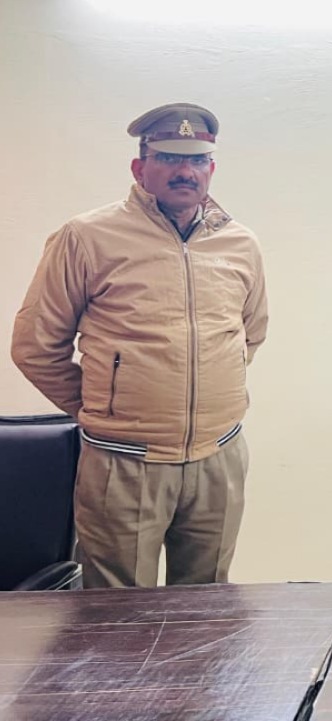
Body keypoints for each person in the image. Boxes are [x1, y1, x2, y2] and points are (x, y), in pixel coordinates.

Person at [10, 103, 268, 588]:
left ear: (211, 169)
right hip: (123, 463)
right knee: (117, 613)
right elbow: (35, 346)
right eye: (168, 157)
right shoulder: (87, 237)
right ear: (139, 167)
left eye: (197, 159)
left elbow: (250, 333)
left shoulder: (239, 243)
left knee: (206, 608)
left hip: (218, 458)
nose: (185, 171)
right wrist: (105, 406)